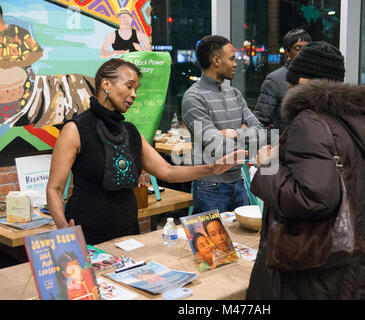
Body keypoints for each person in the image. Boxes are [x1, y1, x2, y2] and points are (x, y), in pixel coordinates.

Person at [246, 41, 365, 299]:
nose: (288, 89)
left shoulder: (310, 122)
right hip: (346, 261)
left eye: (291, 83)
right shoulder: (355, 121)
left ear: (303, 81)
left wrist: (267, 165)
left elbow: (312, 199)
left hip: (311, 269)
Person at [46, 58, 245, 245]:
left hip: (128, 235)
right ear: (106, 85)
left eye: (136, 89)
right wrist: (63, 229)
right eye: (129, 86)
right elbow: (54, 189)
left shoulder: (130, 131)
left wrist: (212, 168)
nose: (134, 94)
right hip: (85, 235)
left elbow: (167, 171)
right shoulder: (75, 129)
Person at [182, 35, 263, 214]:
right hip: (210, 186)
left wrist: (233, 133)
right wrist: (244, 136)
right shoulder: (194, 97)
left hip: (239, 182)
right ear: (216, 60)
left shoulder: (235, 94)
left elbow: (260, 132)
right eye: (232, 59)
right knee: (211, 242)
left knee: (242, 241)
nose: (236, 64)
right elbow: (216, 146)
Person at [253, 29, 311, 134]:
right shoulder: (275, 79)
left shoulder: (317, 78)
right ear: (287, 51)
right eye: (297, 48)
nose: (303, 52)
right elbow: (259, 121)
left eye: (306, 48)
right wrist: (278, 142)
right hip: (285, 144)